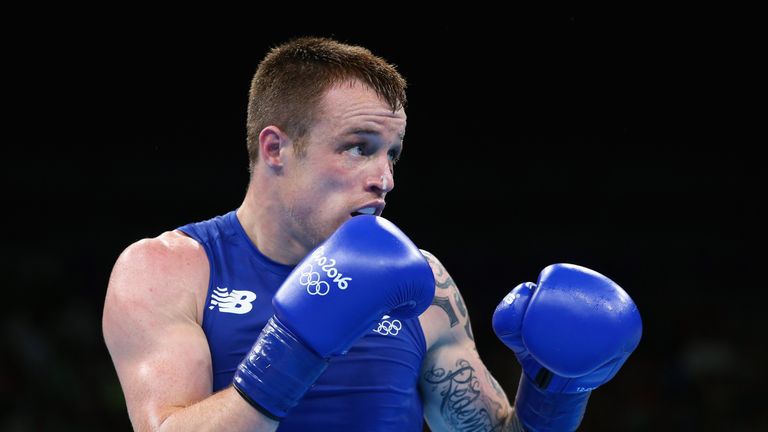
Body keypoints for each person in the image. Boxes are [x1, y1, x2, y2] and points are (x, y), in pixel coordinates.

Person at [102, 36, 642, 431]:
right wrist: (295, 347)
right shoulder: (168, 270)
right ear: (276, 149)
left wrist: (555, 390)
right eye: (359, 146)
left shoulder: (425, 283)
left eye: (393, 155)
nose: (383, 179)